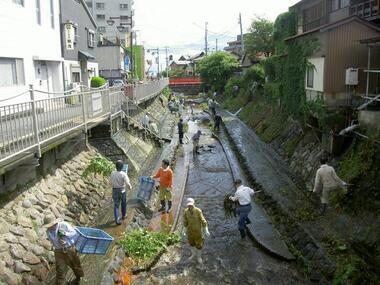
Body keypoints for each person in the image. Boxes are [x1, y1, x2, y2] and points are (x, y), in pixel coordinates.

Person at [46, 220, 84, 285]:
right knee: (60, 269)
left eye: (50, 225)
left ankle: (78, 278)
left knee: (75, 266)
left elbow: (74, 233)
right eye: (48, 226)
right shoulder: (48, 231)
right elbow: (52, 241)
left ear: (54, 223)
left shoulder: (63, 225)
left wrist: (65, 235)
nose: (49, 227)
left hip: (69, 249)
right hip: (58, 251)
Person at [183, 198, 210, 264]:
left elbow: (203, 221)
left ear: (194, 204)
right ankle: (193, 254)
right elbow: (185, 222)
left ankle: (199, 257)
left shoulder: (198, 211)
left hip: (198, 232)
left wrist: (206, 230)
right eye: (189, 205)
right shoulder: (186, 211)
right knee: (191, 244)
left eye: (191, 205)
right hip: (190, 231)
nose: (190, 206)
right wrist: (184, 230)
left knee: (199, 245)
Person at [229, 179, 256, 244]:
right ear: (241, 183)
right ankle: (248, 221)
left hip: (244, 208)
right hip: (249, 206)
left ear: (236, 184)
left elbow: (234, 199)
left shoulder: (237, 192)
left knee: (240, 224)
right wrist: (252, 192)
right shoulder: (247, 188)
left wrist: (230, 197)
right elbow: (252, 193)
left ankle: (243, 238)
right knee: (237, 210)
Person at [111, 160, 132, 225]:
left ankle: (117, 219)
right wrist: (130, 187)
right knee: (123, 203)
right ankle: (123, 215)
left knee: (116, 205)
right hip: (122, 191)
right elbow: (127, 183)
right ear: (122, 167)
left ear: (116, 166)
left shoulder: (112, 173)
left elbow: (111, 181)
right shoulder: (123, 174)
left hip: (114, 190)